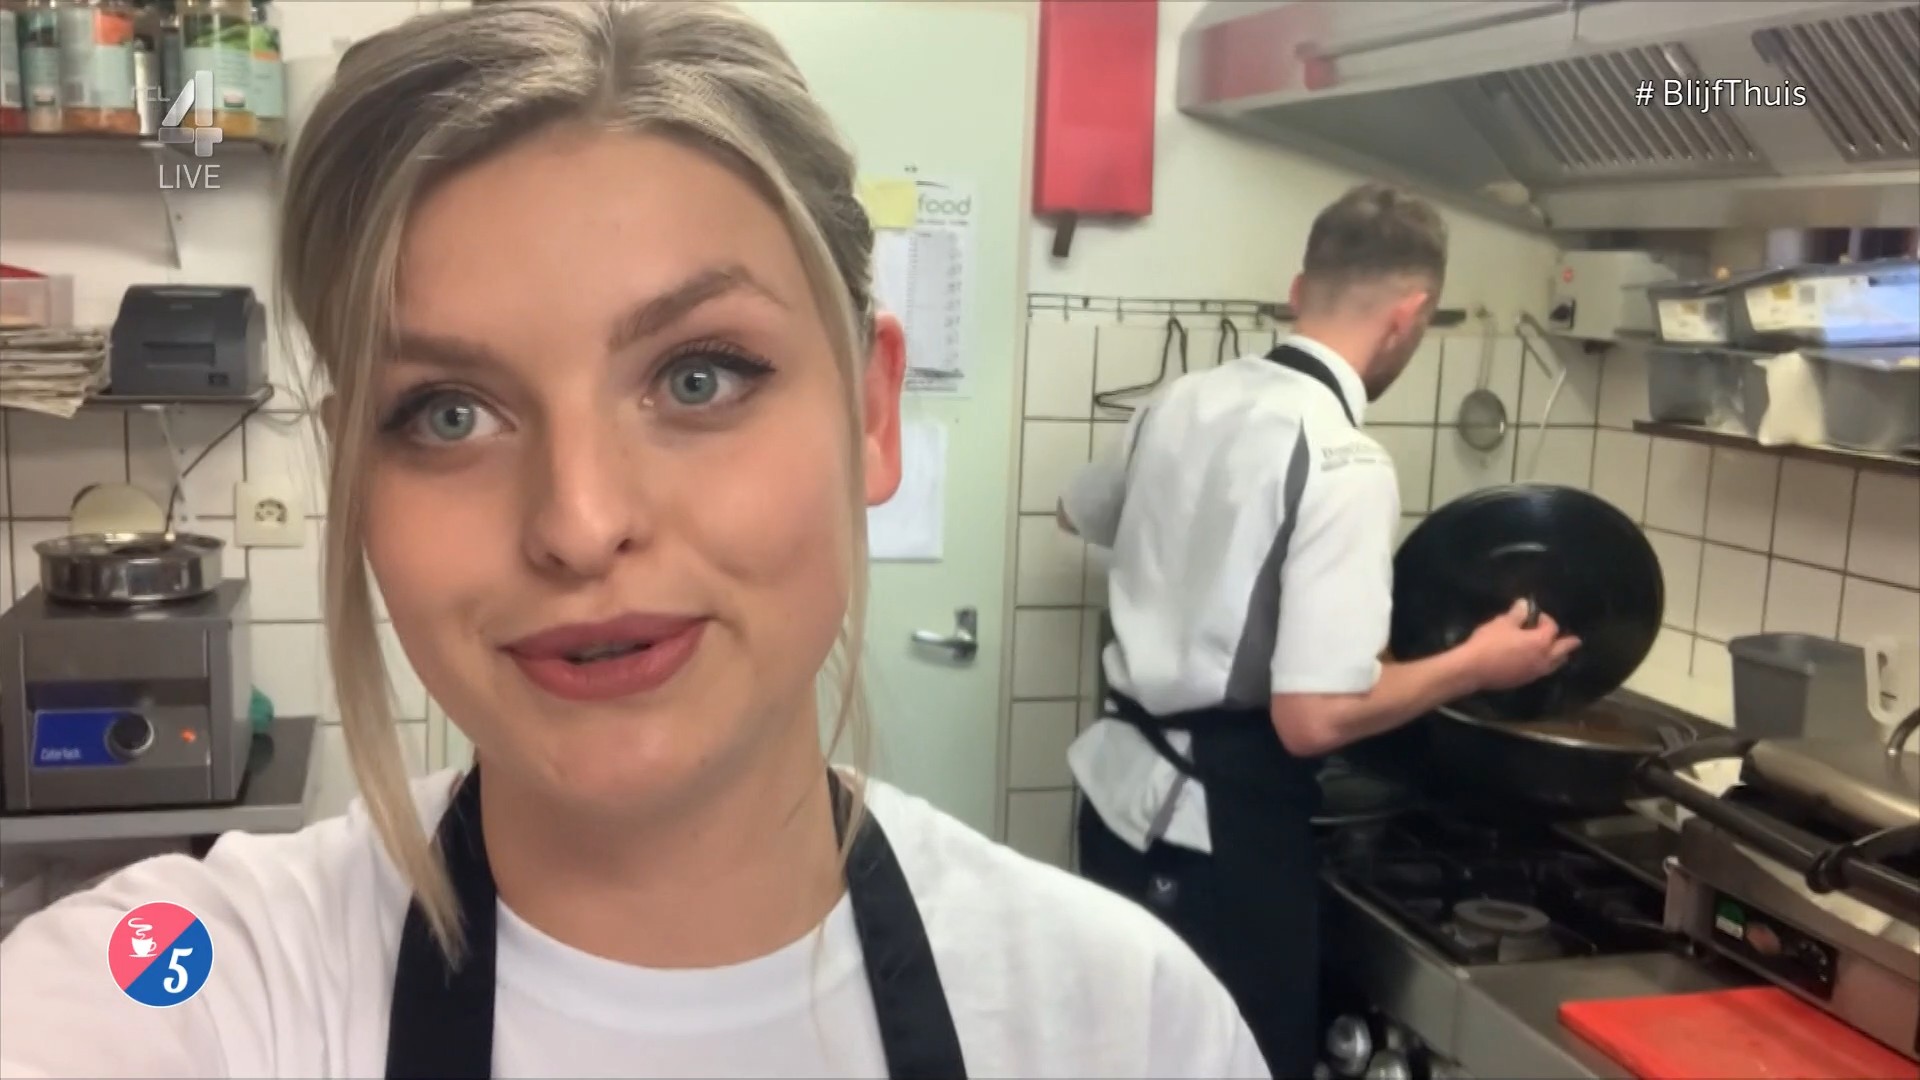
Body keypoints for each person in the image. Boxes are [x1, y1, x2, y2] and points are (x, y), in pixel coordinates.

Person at [0, 5, 1269, 1078]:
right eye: (448, 413)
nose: (579, 522)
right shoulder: (193, 987)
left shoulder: (1126, 1024)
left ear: (872, 414)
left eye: (699, 377)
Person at [1058, 183, 1581, 1078]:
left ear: (1300, 291)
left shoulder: (1181, 400)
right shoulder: (1344, 459)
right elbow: (1314, 718)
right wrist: (1479, 662)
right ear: (1410, 316)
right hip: (1214, 834)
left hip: (1116, 808)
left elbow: (1079, 513)